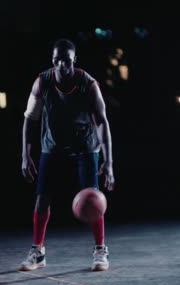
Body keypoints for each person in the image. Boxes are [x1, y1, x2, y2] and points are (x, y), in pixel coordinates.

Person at [19, 38, 115, 272]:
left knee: (92, 199)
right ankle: (38, 251)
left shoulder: (87, 83)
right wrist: (25, 154)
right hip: (52, 145)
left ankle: (100, 250)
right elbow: (30, 120)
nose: (62, 65)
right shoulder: (42, 82)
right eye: (57, 60)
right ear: (52, 61)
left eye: (67, 61)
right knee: (42, 198)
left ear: (74, 60)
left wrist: (109, 161)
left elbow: (102, 123)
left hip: (85, 145)